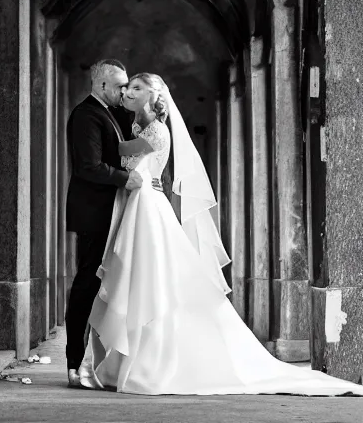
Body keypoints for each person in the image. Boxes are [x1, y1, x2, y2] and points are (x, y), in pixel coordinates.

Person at [78, 72, 363, 396]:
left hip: (146, 208)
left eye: (137, 88)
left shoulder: (156, 131)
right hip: (138, 207)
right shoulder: (138, 128)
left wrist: (125, 170)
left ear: (152, 95)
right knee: (137, 282)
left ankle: (149, 363)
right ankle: (129, 359)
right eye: (128, 87)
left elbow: (138, 172)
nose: (129, 91)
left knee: (148, 282)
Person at [65, 59, 143, 388]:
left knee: (101, 288)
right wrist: (126, 179)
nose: (124, 90)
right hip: (94, 214)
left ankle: (94, 364)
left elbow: (120, 151)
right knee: (87, 285)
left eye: (129, 85)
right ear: (102, 86)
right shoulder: (85, 115)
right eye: (121, 85)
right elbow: (89, 167)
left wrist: (152, 135)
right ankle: (73, 364)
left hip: (107, 214)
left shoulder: (108, 113)